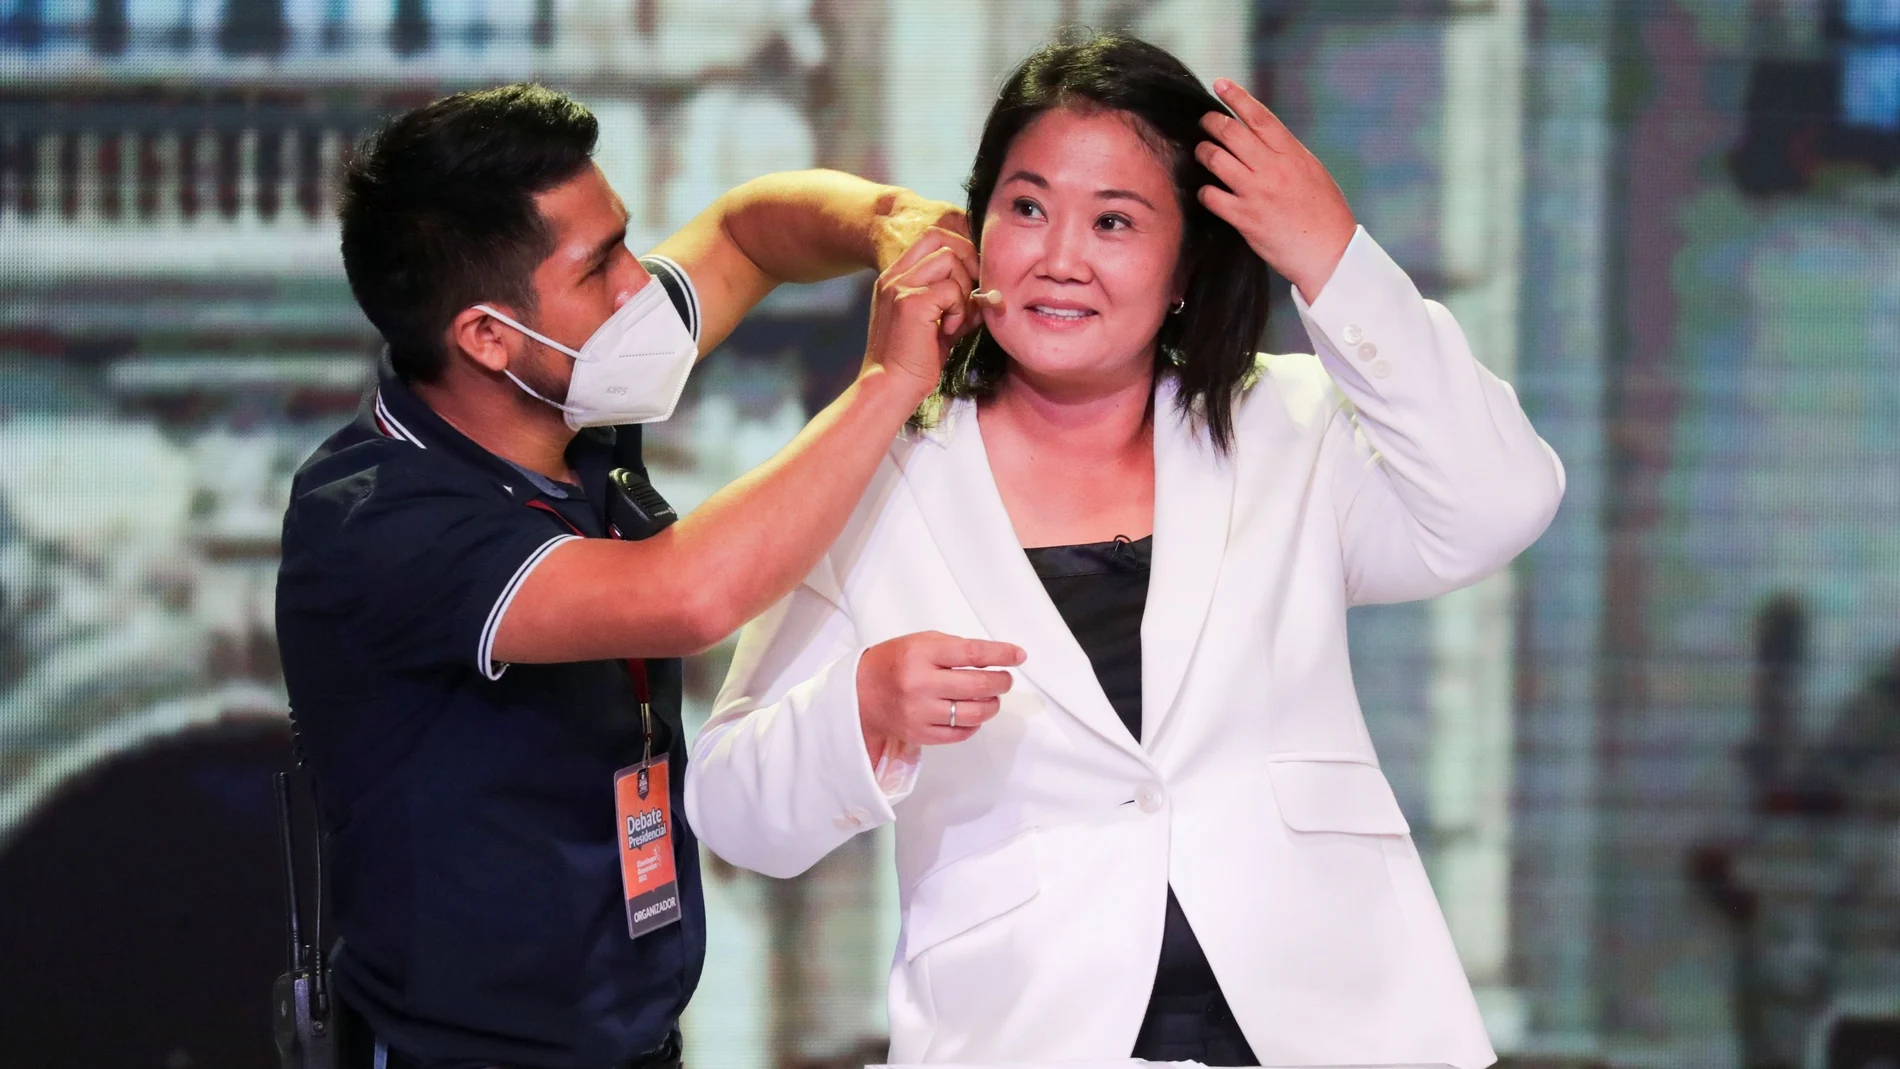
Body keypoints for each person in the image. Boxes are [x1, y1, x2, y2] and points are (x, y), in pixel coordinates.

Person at [685, 32, 1565, 1069]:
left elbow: (1499, 501)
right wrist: (863, 708)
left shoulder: (1289, 427)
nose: (1059, 257)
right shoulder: (880, 473)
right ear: (976, 227)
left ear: (1186, 261)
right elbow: (734, 810)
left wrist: (1333, 256)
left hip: (1337, 1026)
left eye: (1113, 221)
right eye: (1026, 208)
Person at [275, 83, 981, 1069]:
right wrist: (890, 383)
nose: (639, 293)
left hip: (630, 1035)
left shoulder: (571, 380)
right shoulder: (380, 517)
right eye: (602, 266)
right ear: (485, 334)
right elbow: (687, 594)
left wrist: (887, 224)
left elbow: (745, 235)